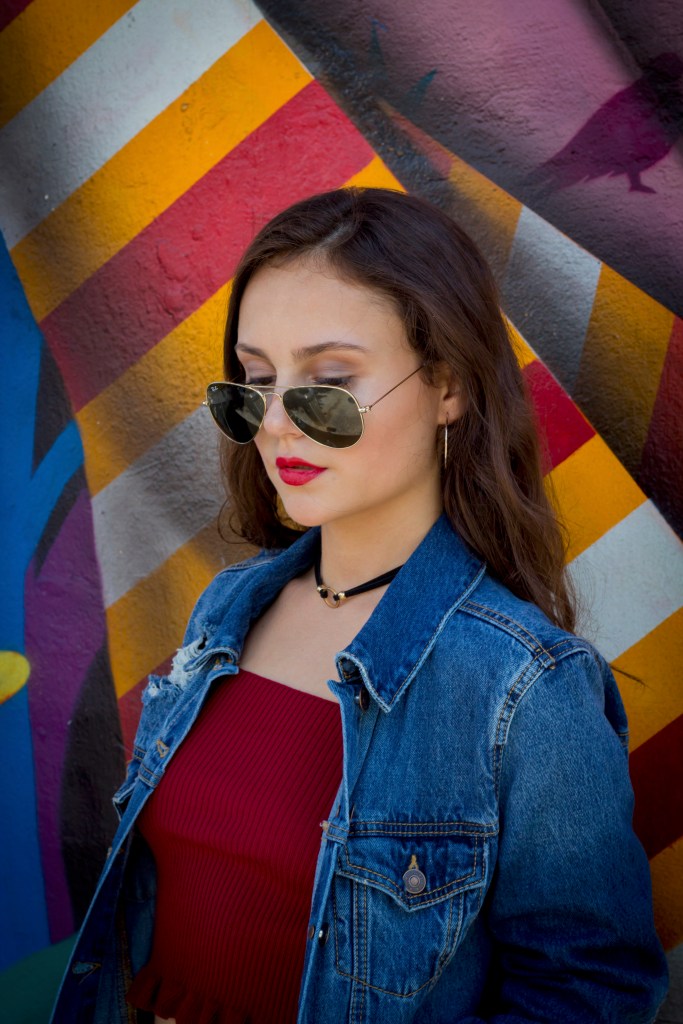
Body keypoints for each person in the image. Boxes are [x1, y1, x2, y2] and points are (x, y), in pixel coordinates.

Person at [50, 187, 668, 1024]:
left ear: (448, 385)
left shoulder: (525, 687)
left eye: (329, 383)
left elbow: (588, 993)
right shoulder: (228, 610)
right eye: (256, 381)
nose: (276, 424)